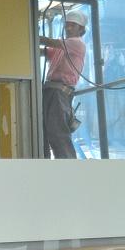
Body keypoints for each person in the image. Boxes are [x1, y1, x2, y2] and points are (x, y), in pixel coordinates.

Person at [40, 8, 88, 158]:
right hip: (51, 90)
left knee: (57, 132)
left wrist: (31, 35)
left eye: (72, 25)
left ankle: (68, 166)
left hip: (60, 92)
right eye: (67, 24)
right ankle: (44, 164)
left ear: (81, 29)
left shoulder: (76, 43)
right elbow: (45, 51)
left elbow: (50, 42)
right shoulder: (62, 47)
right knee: (44, 131)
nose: (68, 27)